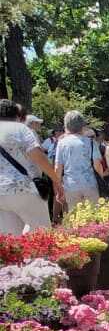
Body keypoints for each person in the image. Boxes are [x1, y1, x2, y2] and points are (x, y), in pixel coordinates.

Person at [0, 98, 64, 234]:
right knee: (41, 232)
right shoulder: (20, 129)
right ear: (17, 115)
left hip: (1, 194)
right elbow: (38, 156)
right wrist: (56, 180)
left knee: (11, 238)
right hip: (23, 188)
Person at [55, 110, 103, 209]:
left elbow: (58, 168)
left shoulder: (61, 143)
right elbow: (97, 165)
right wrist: (101, 178)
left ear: (66, 126)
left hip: (70, 186)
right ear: (82, 125)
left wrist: (58, 189)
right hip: (89, 184)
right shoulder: (90, 142)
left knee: (75, 216)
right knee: (93, 214)